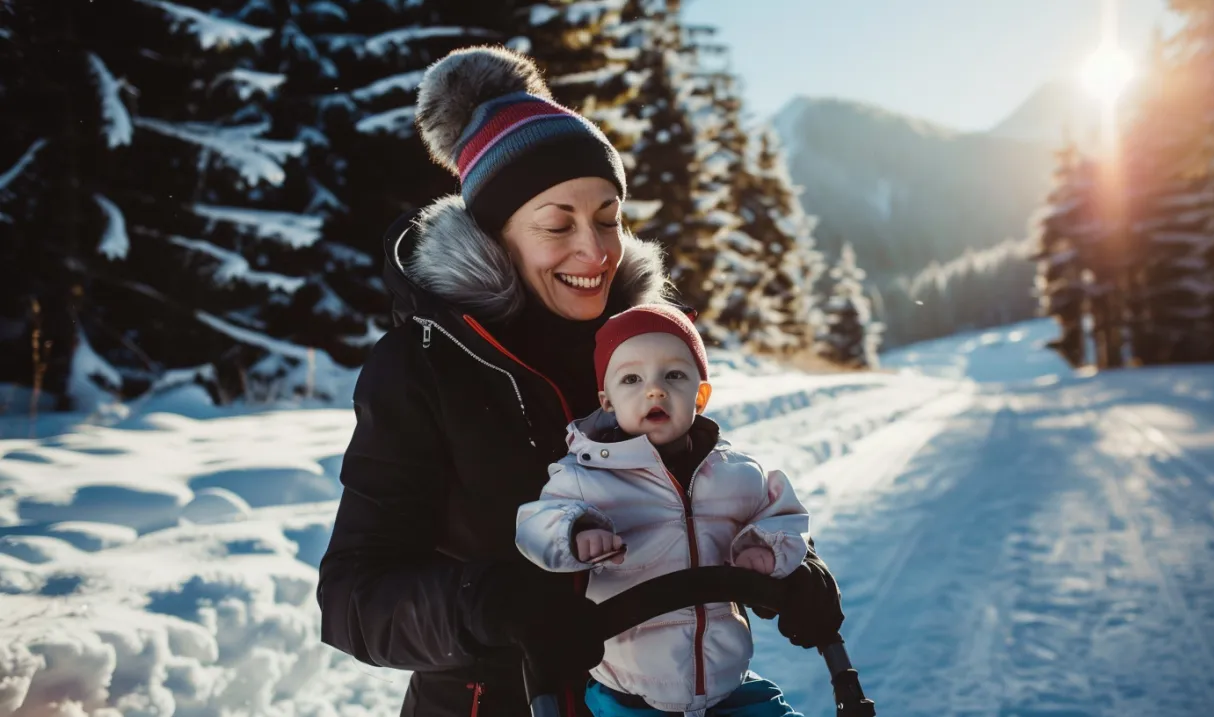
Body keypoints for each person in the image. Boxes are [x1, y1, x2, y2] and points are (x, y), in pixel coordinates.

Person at [316, 45, 845, 717]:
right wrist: (483, 603)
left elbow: (700, 487)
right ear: (495, 233)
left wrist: (792, 565)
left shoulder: (636, 341)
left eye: (607, 217)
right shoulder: (423, 365)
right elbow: (353, 596)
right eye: (557, 223)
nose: (594, 252)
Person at [516, 304, 812, 716]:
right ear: (608, 400)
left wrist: (764, 545)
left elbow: (783, 514)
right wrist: (576, 530)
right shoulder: (585, 476)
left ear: (701, 395)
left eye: (673, 375)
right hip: (628, 693)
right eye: (632, 379)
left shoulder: (736, 473)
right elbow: (533, 525)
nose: (654, 390)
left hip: (730, 684)